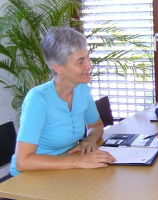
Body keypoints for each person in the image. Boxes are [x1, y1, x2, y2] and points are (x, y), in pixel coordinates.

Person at [9, 27, 116, 176]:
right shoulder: (38, 99)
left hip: (63, 170)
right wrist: (79, 162)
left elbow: (96, 125)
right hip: (28, 179)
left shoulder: (82, 89)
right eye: (80, 62)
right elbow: (23, 162)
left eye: (87, 57)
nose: (89, 65)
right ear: (58, 67)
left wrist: (90, 140)